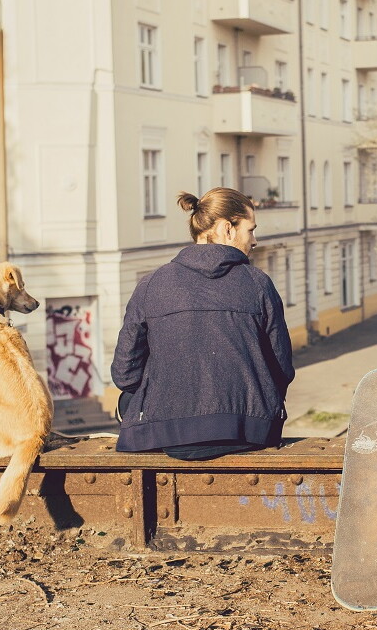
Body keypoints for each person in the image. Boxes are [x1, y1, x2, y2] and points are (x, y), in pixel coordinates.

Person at [111, 188, 295, 460]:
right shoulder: (259, 284)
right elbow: (282, 368)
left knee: (126, 401)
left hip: (169, 434)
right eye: (251, 230)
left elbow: (124, 374)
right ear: (227, 229)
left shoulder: (152, 285)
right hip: (250, 432)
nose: (254, 240)